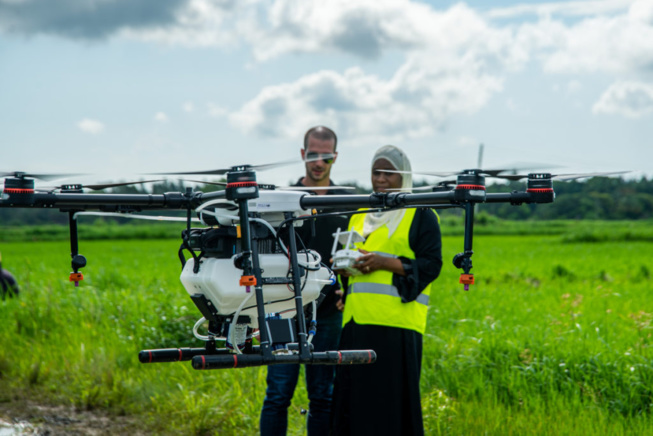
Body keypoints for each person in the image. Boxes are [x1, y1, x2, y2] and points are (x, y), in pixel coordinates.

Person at [331, 145, 443, 436]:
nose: (380, 179)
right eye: (375, 172)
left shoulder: (420, 214)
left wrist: (383, 262)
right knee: (352, 407)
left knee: (389, 409)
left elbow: (431, 265)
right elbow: (353, 266)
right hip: (355, 324)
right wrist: (345, 273)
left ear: (403, 176)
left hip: (395, 327)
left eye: (388, 173)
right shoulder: (360, 215)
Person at [260, 126, 350, 436]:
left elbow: (353, 253)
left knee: (322, 397)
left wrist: (346, 291)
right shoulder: (282, 200)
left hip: (327, 313)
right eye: (313, 155)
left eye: (326, 156)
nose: (319, 162)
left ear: (335, 157)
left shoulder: (346, 201)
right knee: (278, 394)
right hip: (282, 308)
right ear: (303, 155)